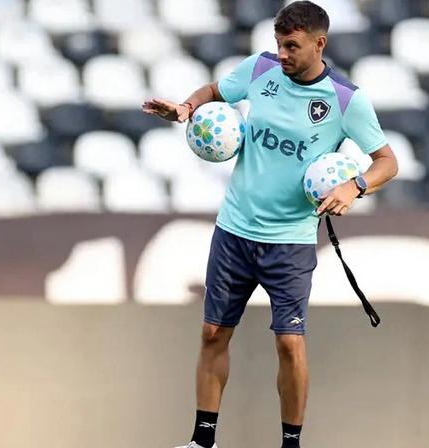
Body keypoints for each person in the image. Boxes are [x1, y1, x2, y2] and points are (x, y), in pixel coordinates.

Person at [142, 2, 398, 447]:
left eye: (292, 46)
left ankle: (291, 444)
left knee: (289, 343)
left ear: (320, 44)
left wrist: (355, 187)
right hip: (235, 229)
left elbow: (387, 162)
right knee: (212, 332)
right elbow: (215, 90)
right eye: (279, 44)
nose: (282, 54)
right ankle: (203, 440)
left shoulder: (344, 99)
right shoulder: (259, 70)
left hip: (290, 242)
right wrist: (186, 108)